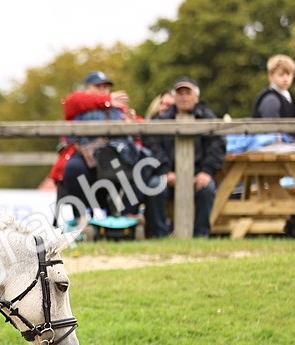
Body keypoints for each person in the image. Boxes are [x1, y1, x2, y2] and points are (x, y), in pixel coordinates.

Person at [50, 71, 140, 226]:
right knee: (73, 168)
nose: (103, 89)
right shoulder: (77, 103)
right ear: (86, 88)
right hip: (86, 156)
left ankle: (124, 220)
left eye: (106, 87)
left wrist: (131, 122)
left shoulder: (119, 110)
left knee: (136, 166)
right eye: (98, 86)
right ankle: (80, 220)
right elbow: (72, 101)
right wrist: (107, 100)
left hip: (113, 157)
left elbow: (138, 130)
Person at [143, 77, 226, 238]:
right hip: (168, 174)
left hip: (198, 174)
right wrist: (165, 171)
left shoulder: (209, 118)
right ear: (174, 97)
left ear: (196, 97)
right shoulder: (161, 120)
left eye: (188, 92)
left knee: (207, 189)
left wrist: (206, 172)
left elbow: (217, 146)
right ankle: (158, 236)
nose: (184, 97)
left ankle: (200, 236)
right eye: (180, 93)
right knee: (154, 186)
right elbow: (152, 145)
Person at [251, 54, 295, 119]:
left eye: (288, 74)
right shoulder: (271, 100)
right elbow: (271, 127)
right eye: (281, 75)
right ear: (271, 76)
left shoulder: (285, 96)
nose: (286, 79)